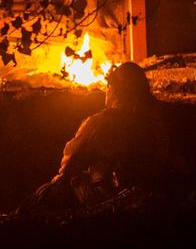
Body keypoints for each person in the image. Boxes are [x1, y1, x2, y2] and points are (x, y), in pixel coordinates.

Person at [27, 61, 169, 210]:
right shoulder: (154, 122)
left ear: (116, 90)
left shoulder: (100, 122)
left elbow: (70, 164)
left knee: (44, 194)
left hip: (106, 197)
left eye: (109, 85)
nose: (106, 90)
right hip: (144, 195)